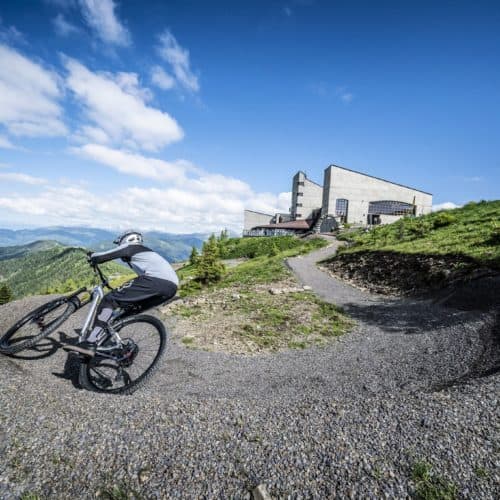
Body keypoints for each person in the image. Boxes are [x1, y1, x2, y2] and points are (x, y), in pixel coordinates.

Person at [78, 230, 178, 352]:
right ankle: (119, 349)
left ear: (125, 240)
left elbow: (103, 257)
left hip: (156, 281)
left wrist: (92, 256)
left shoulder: (132, 247)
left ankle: (90, 343)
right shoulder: (146, 254)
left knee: (110, 300)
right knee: (122, 316)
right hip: (171, 289)